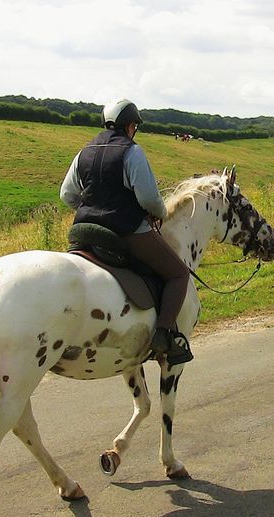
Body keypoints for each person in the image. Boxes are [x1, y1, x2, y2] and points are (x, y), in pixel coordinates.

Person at [60, 98, 193, 365]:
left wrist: (90, 207)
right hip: (125, 230)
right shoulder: (131, 152)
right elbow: (150, 200)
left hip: (84, 229)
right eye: (135, 126)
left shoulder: (84, 152)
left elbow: (66, 195)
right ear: (131, 126)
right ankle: (165, 335)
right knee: (178, 273)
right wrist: (159, 214)